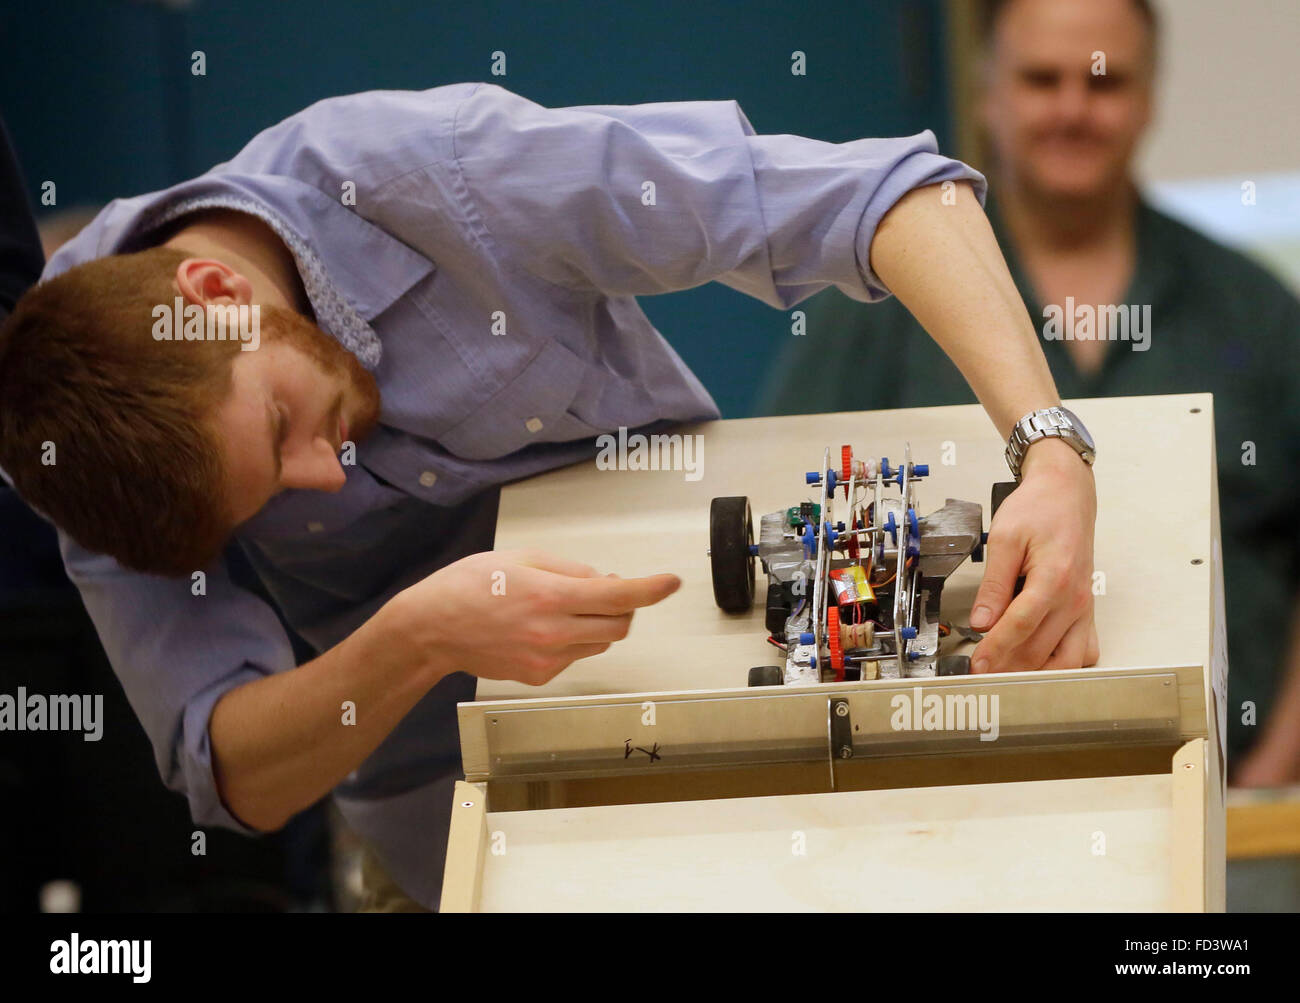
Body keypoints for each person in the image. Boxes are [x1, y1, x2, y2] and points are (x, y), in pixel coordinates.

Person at [0, 81, 1097, 909]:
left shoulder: (431, 171)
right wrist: (420, 636)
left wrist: (1046, 450)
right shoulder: (76, 442)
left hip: (718, 675)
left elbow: (886, 192)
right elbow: (228, 768)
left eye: (284, 426)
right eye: (268, 496)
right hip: (457, 831)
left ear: (212, 291)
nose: (320, 477)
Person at [761, 0, 1300, 786]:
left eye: (1104, 82)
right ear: (986, 94)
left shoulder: (1256, 311)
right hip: (949, 808)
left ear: (1150, 97)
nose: (1073, 108)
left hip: (1235, 809)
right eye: (1041, 79)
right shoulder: (877, 312)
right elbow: (798, 533)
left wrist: (1265, 789)